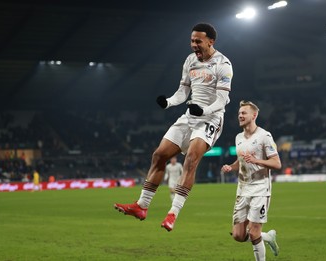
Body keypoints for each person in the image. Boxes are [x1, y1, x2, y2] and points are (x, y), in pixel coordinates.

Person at [114, 22, 233, 232]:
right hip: (190, 115)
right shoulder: (190, 61)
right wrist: (168, 102)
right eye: (192, 40)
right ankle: (141, 206)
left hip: (211, 118)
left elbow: (222, 100)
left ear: (211, 41)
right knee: (159, 155)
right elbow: (182, 91)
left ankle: (172, 214)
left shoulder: (223, 64)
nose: (193, 44)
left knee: (191, 159)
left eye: (198, 41)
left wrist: (203, 112)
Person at [221, 100, 282, 260]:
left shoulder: (265, 136)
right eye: (239, 113)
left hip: (260, 190)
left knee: (254, 232)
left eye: (244, 113)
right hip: (242, 190)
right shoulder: (238, 137)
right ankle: (267, 237)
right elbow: (241, 160)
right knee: (238, 235)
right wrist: (231, 167)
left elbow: (277, 163)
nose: (240, 115)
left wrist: (257, 161)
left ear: (254, 115)